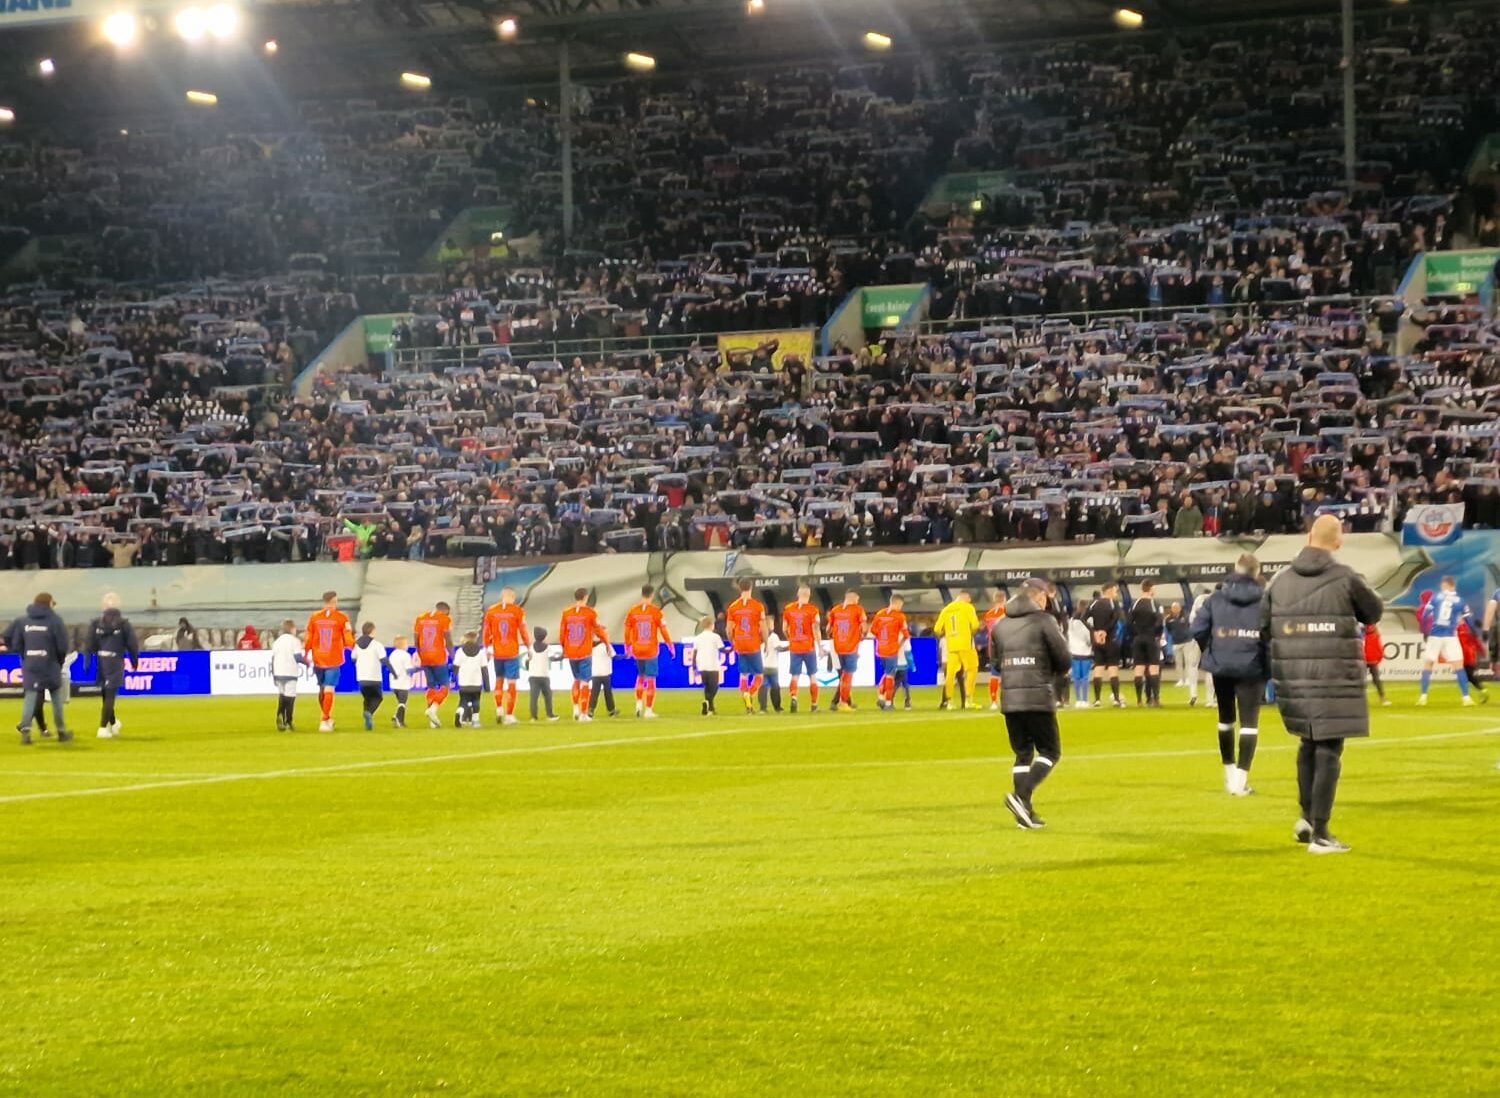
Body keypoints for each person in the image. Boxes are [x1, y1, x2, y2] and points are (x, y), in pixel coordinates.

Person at [1261, 513, 1383, 854]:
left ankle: (1307, 819)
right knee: (1329, 748)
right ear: (1338, 541)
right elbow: (1373, 612)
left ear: (1307, 536)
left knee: (1308, 743)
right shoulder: (1346, 577)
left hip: (1293, 678)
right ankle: (1322, 833)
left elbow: (1262, 623)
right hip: (1334, 677)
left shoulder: (1280, 580)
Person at [991, 578, 1071, 830]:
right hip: (1037, 695)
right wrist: (1053, 673)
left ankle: (1024, 814)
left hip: (1010, 698)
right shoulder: (1044, 621)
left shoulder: (1000, 625)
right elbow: (1063, 657)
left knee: (1022, 754)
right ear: (1040, 598)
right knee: (1050, 751)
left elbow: (994, 663)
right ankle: (1020, 797)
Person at [1192, 554, 1267, 797]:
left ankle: (1229, 773)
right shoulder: (1265, 601)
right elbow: (1272, 634)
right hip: (1252, 665)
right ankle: (1240, 781)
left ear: (1235, 570)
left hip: (1221, 664)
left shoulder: (1215, 598)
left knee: (1225, 718)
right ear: (1257, 573)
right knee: (1249, 722)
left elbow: (1198, 629)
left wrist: (1213, 650)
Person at [5, 593, 70, 745]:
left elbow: (7, 637)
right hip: (51, 663)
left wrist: (23, 654)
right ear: (49, 604)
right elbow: (62, 645)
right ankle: (61, 731)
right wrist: (59, 661)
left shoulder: (22, 621)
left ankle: (26, 730)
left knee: (30, 697)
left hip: (31, 664)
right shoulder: (55, 621)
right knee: (56, 700)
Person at [85, 593, 139, 739]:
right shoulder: (124, 624)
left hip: (101, 661)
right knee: (110, 695)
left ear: (103, 606)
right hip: (115, 661)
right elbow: (132, 645)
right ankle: (102, 728)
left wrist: (87, 660)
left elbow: (90, 644)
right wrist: (135, 661)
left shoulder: (96, 623)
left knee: (105, 693)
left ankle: (113, 723)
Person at [1417, 577, 1475, 706]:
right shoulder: (1460, 601)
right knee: (1459, 666)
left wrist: (1424, 628)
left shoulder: (1436, 597)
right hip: (1450, 636)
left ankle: (1423, 697)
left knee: (1428, 665)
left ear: (1445, 585)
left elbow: (1425, 615)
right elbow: (1468, 619)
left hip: (1435, 635)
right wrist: (1473, 631)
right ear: (1453, 586)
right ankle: (1466, 698)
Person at [623, 584, 674, 719]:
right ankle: (648, 710)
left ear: (642, 594)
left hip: (638, 649)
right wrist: (670, 645)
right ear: (652, 595)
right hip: (650, 649)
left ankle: (638, 704)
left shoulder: (633, 611)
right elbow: (663, 630)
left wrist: (627, 646)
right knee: (651, 679)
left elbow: (627, 630)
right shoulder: (656, 611)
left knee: (640, 676)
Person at [305, 591, 354, 733]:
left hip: (318, 658)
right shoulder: (342, 618)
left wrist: (306, 653)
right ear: (334, 601)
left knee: (322, 688)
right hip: (333, 658)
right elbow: (348, 637)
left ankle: (326, 718)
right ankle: (324, 720)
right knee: (329, 688)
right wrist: (353, 648)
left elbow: (309, 637)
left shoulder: (314, 617)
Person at [481, 587, 529, 726]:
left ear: (502, 596)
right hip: (511, 652)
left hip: (497, 652)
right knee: (512, 683)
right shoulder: (517, 611)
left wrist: (486, 647)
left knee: (499, 680)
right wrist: (528, 646)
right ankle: (509, 715)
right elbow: (523, 630)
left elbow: (486, 631)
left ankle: (499, 708)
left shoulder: (491, 610)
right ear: (512, 597)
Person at [559, 588, 608, 721]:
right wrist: (607, 643)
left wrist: (564, 649)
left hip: (571, 652)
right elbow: (599, 631)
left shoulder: (566, 613)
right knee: (585, 682)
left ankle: (575, 708)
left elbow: (562, 634)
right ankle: (583, 713)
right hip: (584, 652)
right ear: (586, 597)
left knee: (576, 679)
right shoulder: (590, 613)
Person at [725, 579, 768, 715]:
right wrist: (766, 642)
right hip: (753, 643)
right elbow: (763, 626)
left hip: (740, 644)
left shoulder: (732, 607)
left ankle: (745, 697)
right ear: (751, 588)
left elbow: (728, 629)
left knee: (743, 674)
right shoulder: (757, 606)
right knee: (759, 675)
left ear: (739, 588)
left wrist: (733, 642)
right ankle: (750, 693)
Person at [934, 590, 981, 709]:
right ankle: (968, 700)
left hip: (951, 645)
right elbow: (975, 625)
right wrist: (970, 634)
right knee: (972, 669)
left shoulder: (946, 609)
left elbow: (937, 629)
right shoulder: (968, 607)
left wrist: (947, 635)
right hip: (965, 644)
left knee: (950, 674)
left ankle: (949, 702)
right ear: (966, 597)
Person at [781, 585, 822, 713]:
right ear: (809, 595)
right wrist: (819, 646)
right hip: (808, 646)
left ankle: (794, 696)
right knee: (813, 676)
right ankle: (814, 704)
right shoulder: (813, 610)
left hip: (795, 647)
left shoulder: (788, 609)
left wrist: (791, 639)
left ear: (798, 594)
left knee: (795, 676)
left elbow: (784, 628)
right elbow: (816, 629)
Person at [414, 601, 455, 728]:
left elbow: (416, 639)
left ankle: (432, 722)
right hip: (438, 656)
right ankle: (433, 709)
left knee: (431, 686)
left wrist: (420, 655)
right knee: (445, 686)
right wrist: (453, 656)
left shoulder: (420, 618)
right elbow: (448, 639)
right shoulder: (444, 619)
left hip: (424, 655)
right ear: (446, 611)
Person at [825, 589, 866, 712]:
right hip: (851, 647)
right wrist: (862, 636)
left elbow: (828, 629)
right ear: (853, 597)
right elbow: (863, 627)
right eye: (857, 598)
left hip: (838, 647)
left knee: (843, 675)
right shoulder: (858, 609)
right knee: (848, 675)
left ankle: (842, 701)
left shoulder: (835, 610)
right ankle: (843, 702)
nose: (858, 601)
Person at [1084, 584, 1124, 707]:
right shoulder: (1113, 603)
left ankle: (1097, 700)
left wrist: (1094, 631)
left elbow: (1083, 618)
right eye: (1115, 591)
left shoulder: (1093, 603)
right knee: (1113, 669)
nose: (1116, 594)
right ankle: (1116, 699)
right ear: (1109, 591)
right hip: (1110, 639)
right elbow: (1116, 619)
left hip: (1097, 641)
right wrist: (1104, 631)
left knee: (1098, 668)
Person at [869, 595, 911, 711]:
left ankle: (881, 696)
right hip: (891, 649)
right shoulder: (899, 616)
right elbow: (906, 635)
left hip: (880, 648)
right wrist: (899, 645)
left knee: (886, 673)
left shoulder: (880, 614)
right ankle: (888, 703)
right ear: (898, 603)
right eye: (901, 605)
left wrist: (882, 640)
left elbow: (873, 630)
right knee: (890, 675)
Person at [1128, 580, 1164, 707]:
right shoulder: (1155, 603)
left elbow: (1129, 622)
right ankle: (1156, 699)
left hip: (1138, 639)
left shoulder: (1135, 604)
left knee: (1139, 669)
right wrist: (1156, 634)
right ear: (1151, 588)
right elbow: (1160, 622)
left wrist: (1136, 633)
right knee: (1153, 668)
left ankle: (1139, 701)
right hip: (1151, 638)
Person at [353, 622, 389, 731]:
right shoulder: (377, 645)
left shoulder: (357, 645)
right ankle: (369, 713)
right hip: (375, 677)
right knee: (378, 698)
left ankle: (367, 718)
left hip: (362, 678)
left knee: (367, 699)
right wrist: (394, 672)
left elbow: (353, 659)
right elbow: (384, 660)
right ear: (372, 631)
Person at [270, 620, 304, 731]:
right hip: (290, 672)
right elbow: (298, 657)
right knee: (290, 697)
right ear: (292, 629)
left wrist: (273, 674)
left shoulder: (277, 642)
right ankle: (288, 721)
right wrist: (308, 662)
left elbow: (273, 658)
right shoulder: (295, 641)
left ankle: (279, 716)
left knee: (282, 695)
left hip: (279, 672)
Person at [452, 630, 488, 728]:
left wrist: (453, 679)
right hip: (476, 682)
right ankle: (475, 721)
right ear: (475, 638)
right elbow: (484, 669)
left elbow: (455, 667)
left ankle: (460, 711)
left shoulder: (460, 651)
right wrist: (487, 685)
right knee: (476, 700)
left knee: (464, 700)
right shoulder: (480, 652)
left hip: (464, 682)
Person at [691, 616, 724, 716]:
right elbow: (722, 649)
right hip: (712, 665)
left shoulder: (698, 638)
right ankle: (707, 702)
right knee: (714, 687)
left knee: (707, 687)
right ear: (711, 625)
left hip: (702, 665)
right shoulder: (715, 637)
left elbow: (694, 652)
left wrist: (694, 666)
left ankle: (710, 708)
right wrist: (732, 649)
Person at [525, 627, 560, 722]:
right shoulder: (547, 647)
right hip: (544, 675)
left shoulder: (531, 647)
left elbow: (527, 661)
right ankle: (550, 715)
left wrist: (529, 669)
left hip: (533, 676)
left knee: (533, 697)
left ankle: (533, 717)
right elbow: (553, 658)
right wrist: (562, 657)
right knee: (548, 696)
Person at [1166, 601, 1197, 704]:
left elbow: (1190, 626)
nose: (1175, 609)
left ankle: (1188, 679)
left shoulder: (1186, 616)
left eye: (1177, 607)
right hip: (1176, 642)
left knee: (1188, 661)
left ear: (1180, 608)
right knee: (1178, 663)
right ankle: (1180, 680)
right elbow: (1169, 629)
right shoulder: (1168, 619)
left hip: (1187, 641)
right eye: (1173, 607)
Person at [1457, 616, 1490, 704]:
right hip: (1469, 656)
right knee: (1467, 677)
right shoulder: (1469, 629)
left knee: (1467, 677)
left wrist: (1482, 652)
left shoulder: (1458, 630)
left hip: (1465, 657)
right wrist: (1482, 652)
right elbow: (1477, 641)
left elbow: (1476, 641)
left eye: (1459, 619)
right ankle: (1474, 693)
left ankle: (1480, 691)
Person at [983, 592, 1007, 709]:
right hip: (1006, 646)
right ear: (1005, 599)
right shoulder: (1007, 613)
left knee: (994, 675)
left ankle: (993, 701)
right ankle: (1007, 700)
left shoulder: (989, 614)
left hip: (992, 648)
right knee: (1009, 675)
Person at [1067, 609, 1093, 709]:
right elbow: (1088, 640)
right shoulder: (1086, 624)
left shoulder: (1070, 623)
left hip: (1074, 653)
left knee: (1076, 677)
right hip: (1085, 653)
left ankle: (1078, 700)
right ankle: (1085, 700)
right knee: (1085, 677)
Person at [388, 634, 415, 727]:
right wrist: (421, 668)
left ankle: (398, 718)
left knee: (400, 702)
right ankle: (399, 719)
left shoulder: (393, 654)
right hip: (402, 682)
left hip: (393, 682)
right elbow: (409, 670)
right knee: (403, 702)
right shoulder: (406, 655)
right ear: (403, 644)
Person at [759, 625, 787, 713]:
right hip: (772, 665)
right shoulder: (774, 636)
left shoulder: (759, 636)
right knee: (775, 687)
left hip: (762, 665)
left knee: (763, 686)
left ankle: (763, 708)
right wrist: (789, 647)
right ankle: (777, 707)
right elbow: (778, 648)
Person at [589, 637, 619, 718]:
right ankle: (611, 711)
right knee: (608, 693)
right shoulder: (606, 645)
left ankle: (591, 710)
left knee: (594, 693)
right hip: (605, 673)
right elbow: (614, 656)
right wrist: (625, 656)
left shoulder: (590, 646)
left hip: (595, 673)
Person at [1362, 623, 1391, 707]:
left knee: (1375, 680)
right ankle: (1382, 699)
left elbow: (1379, 648)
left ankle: (1382, 698)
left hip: (1369, 660)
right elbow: (1379, 648)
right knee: (1374, 680)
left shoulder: (1373, 636)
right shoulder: (1371, 635)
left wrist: (1379, 657)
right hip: (1368, 660)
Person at [893, 636, 913, 709]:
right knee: (904, 683)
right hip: (903, 664)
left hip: (894, 664)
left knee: (896, 683)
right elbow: (908, 652)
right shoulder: (905, 638)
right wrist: (912, 664)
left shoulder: (894, 636)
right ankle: (907, 701)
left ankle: (890, 701)